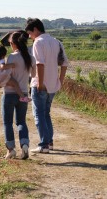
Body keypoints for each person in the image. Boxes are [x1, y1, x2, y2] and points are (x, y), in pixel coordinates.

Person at [25, 18, 68, 153]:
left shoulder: (38, 42)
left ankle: (44, 145)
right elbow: (64, 63)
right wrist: (60, 80)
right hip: (53, 84)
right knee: (46, 114)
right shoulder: (56, 42)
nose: (30, 37)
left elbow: (39, 64)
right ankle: (49, 143)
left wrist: (40, 82)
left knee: (39, 115)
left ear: (36, 30)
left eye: (30, 34)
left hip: (40, 84)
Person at [1, 31, 36, 159]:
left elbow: (6, 75)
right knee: (21, 121)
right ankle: (25, 145)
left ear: (14, 44)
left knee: (7, 122)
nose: (10, 45)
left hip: (9, 93)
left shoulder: (11, 57)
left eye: (10, 43)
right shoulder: (30, 58)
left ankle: (11, 150)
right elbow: (34, 75)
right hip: (24, 93)